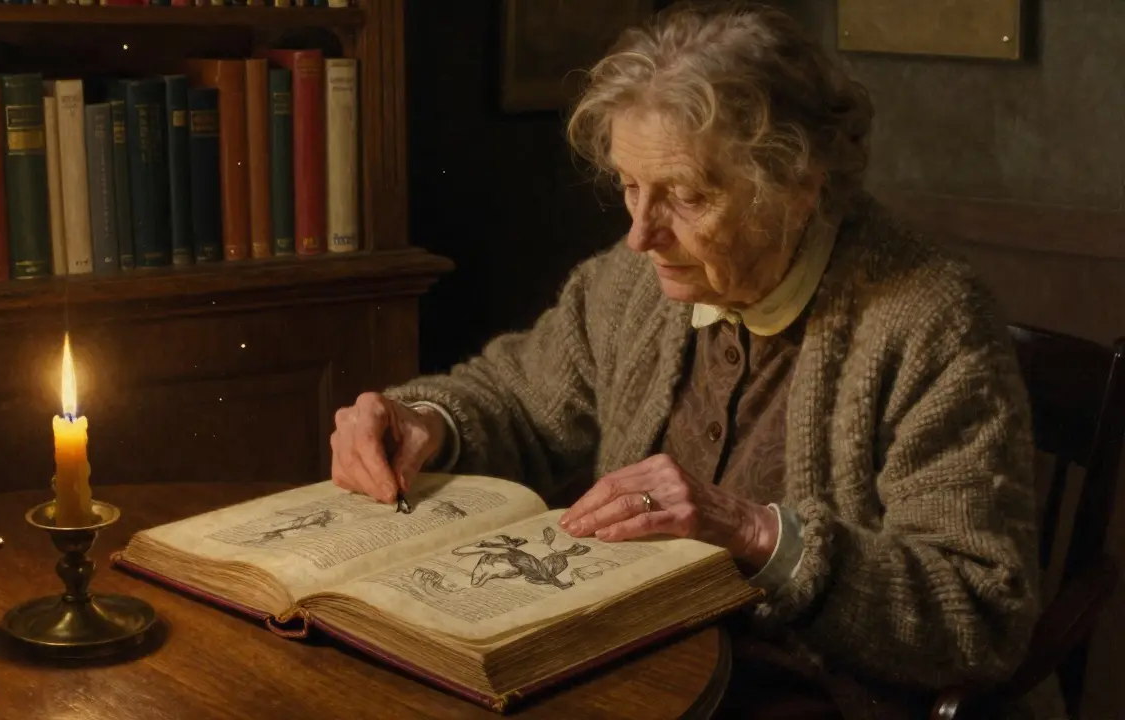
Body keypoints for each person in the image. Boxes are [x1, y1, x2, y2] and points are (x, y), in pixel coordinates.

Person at [329, 3, 1058, 718]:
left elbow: (978, 614)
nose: (641, 235)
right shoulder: (630, 286)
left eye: (684, 196)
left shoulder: (930, 320)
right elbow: (517, 398)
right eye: (628, 186)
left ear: (798, 188)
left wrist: (754, 535)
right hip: (641, 678)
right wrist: (422, 420)